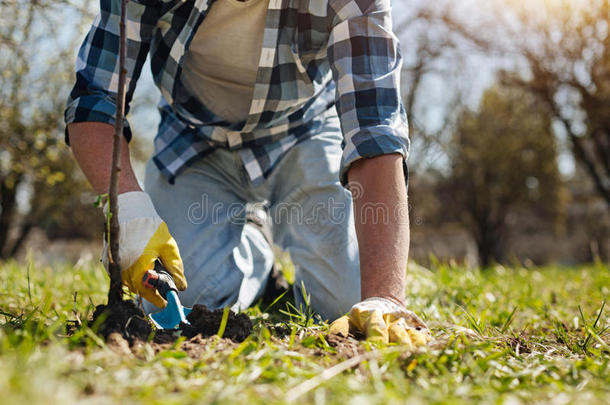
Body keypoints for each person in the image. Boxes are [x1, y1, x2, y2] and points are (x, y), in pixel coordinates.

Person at [65, 0, 430, 346]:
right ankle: (256, 246)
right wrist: (128, 209)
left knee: (348, 301)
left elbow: (375, 132)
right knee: (179, 295)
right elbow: (97, 96)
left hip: (303, 132)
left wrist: (384, 296)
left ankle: (295, 262)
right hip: (192, 137)